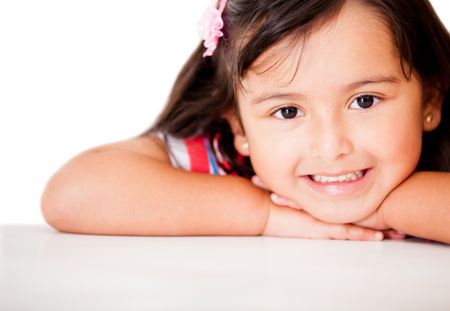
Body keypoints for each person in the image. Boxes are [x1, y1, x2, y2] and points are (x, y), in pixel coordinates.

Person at [41, 0, 450, 244]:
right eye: (288, 111)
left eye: (364, 101)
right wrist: (265, 215)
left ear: (430, 98)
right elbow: (69, 196)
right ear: (239, 129)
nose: (331, 146)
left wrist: (395, 205)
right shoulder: (218, 163)